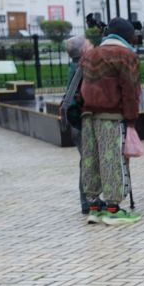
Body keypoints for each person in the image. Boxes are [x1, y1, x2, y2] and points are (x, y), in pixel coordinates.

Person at [79, 18, 142, 225]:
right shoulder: (126, 55)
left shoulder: (90, 54)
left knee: (92, 160)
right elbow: (130, 91)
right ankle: (113, 209)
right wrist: (131, 120)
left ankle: (94, 208)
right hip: (112, 117)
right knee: (113, 160)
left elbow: (80, 87)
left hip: (88, 116)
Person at [61, 34, 94, 213]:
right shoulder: (81, 68)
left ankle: (89, 200)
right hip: (81, 122)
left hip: (76, 122)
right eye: (89, 43)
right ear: (83, 49)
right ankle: (87, 202)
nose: (92, 44)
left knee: (86, 160)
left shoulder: (76, 65)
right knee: (87, 161)